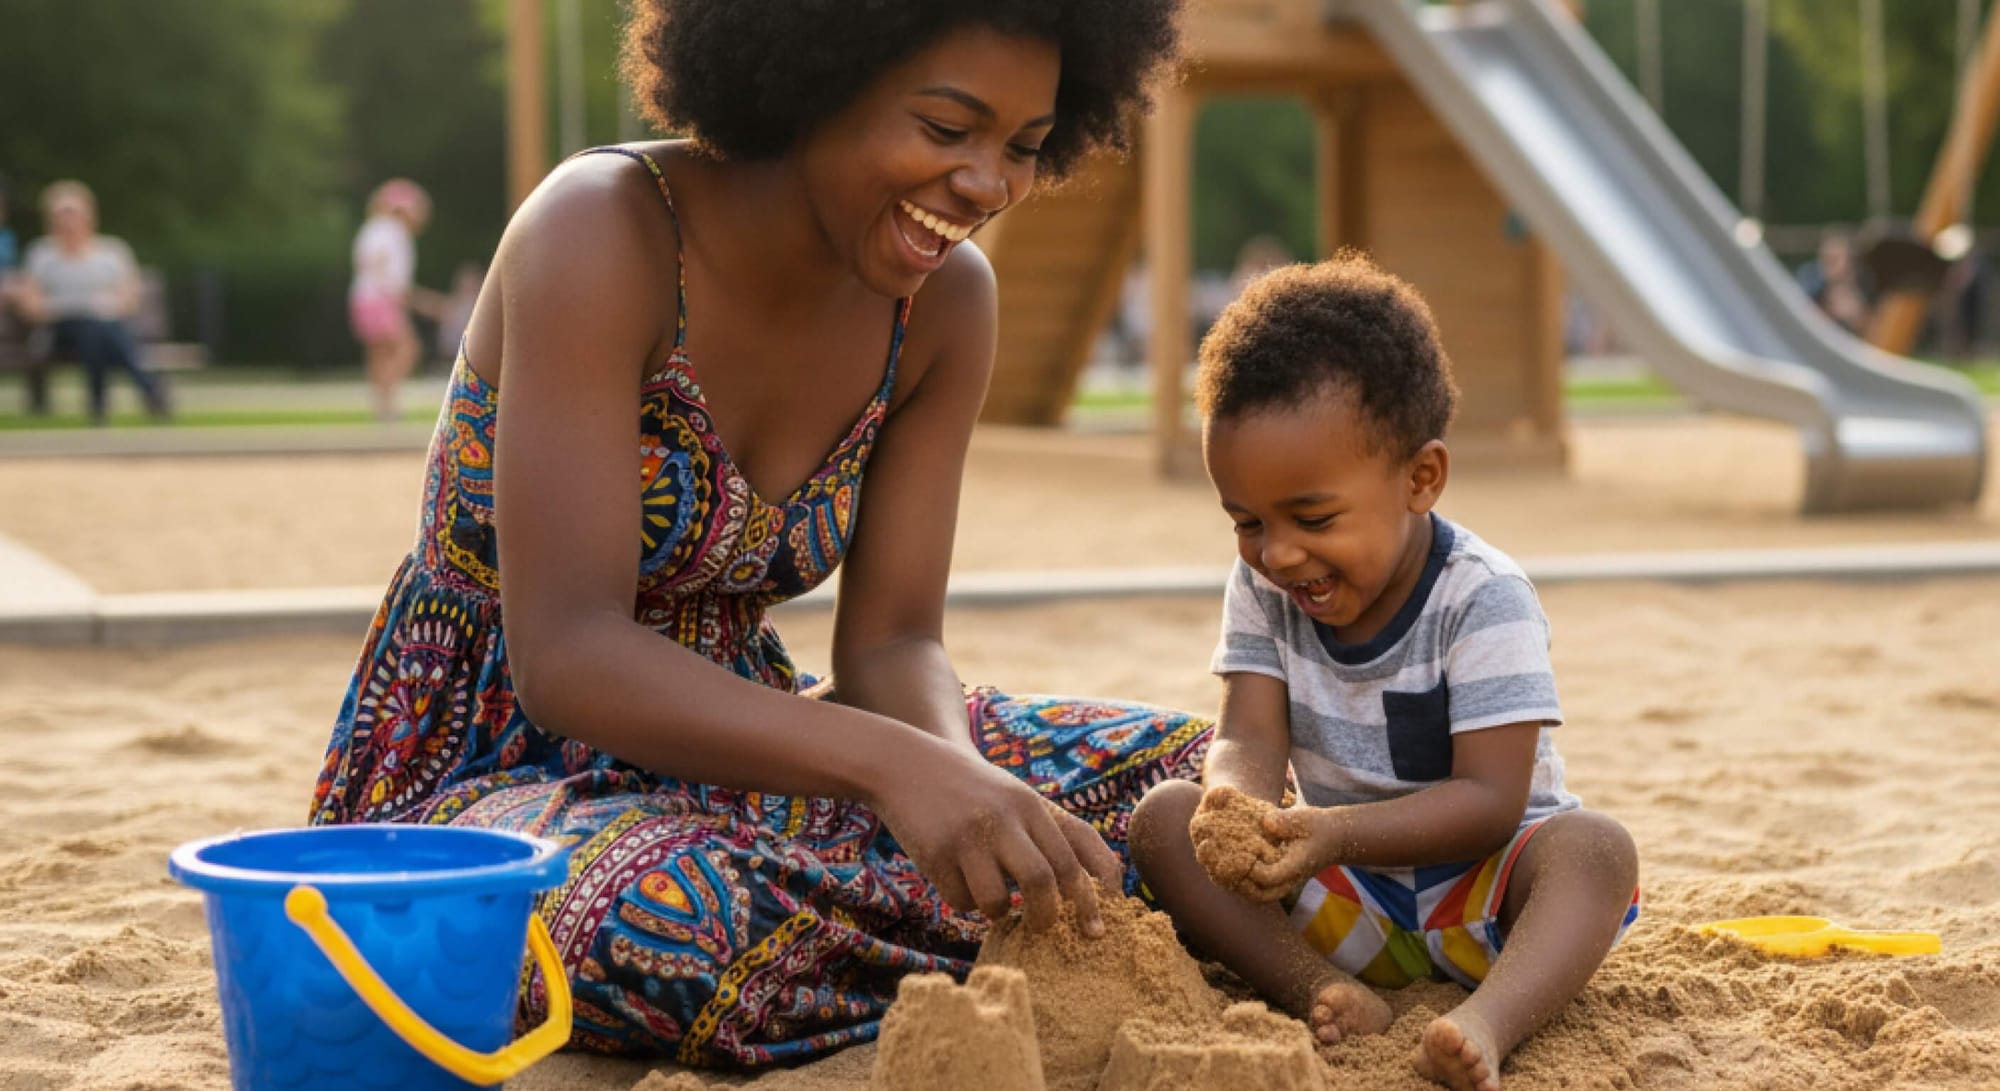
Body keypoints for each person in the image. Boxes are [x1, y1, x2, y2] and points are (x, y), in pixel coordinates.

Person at [308, 0, 1207, 1068]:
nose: (987, 182)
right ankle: (996, 954)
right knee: (666, 919)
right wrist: (892, 775)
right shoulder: (598, 231)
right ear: (809, 79)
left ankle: (952, 938)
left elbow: (891, 645)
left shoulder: (948, 303)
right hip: (488, 781)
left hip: (762, 753)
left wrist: (963, 792)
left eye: (1021, 146)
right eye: (944, 127)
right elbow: (568, 655)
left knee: (1192, 780)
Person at [1129, 257, 1640, 1091]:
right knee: (1165, 817)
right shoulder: (1265, 586)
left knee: (1594, 850)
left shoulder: (1484, 597)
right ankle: (1323, 989)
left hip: (1487, 900)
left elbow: (1491, 800)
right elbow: (1249, 731)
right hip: (1342, 903)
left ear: (1420, 478)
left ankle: (1488, 1019)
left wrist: (1331, 833)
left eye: (1314, 517)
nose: (1280, 552)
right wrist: (1242, 804)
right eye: (1246, 521)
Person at [10, 180, 171, 424]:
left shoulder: (113, 251)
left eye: (73, 214)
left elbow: (130, 299)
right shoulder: (41, 254)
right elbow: (30, 305)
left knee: (96, 330)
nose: (68, 221)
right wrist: (69, 308)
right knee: (94, 329)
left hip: (105, 325)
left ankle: (99, 408)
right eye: (62, 214)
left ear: (89, 216)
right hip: (58, 330)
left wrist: (105, 306)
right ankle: (147, 390)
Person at [349, 177, 430, 421]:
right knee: (408, 349)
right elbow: (386, 272)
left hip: (363, 298)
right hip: (382, 299)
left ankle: (383, 408)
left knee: (380, 355)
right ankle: (388, 394)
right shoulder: (394, 233)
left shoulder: (371, 229)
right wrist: (407, 298)